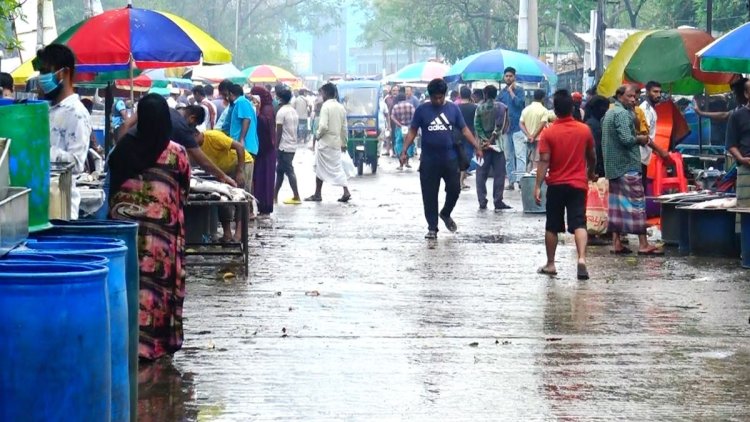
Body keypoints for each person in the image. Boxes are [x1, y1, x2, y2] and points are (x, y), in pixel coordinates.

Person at [107, 93, 190, 361]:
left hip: (125, 236)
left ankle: (127, 344)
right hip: (161, 240)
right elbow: (184, 190)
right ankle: (153, 347)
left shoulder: (123, 148)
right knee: (157, 291)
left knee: (129, 286)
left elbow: (110, 187)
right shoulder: (176, 153)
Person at [400, 78, 483, 240]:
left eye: (440, 97)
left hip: (450, 159)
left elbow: (464, 130)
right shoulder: (422, 110)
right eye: (435, 98)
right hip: (429, 161)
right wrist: (404, 150)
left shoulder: (453, 109)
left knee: (455, 189)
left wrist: (477, 147)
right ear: (429, 96)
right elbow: (412, 131)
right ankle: (432, 227)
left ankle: (445, 213)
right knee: (429, 195)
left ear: (444, 95)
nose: (438, 101)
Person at [535, 90, 597, 280]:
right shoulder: (584, 130)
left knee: (552, 224)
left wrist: (537, 186)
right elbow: (592, 156)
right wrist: (590, 173)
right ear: (572, 107)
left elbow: (544, 161)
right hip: (578, 185)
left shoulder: (548, 132)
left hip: (556, 184)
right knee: (579, 222)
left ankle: (551, 264)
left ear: (555, 109)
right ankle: (581, 260)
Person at [602, 85, 662, 256]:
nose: (633, 99)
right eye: (629, 96)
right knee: (637, 205)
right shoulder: (621, 114)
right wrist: (641, 139)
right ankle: (643, 244)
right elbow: (627, 140)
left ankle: (617, 243)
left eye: (634, 96)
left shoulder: (611, 113)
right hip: (627, 166)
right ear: (620, 96)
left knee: (616, 207)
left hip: (614, 167)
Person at [37, 44, 92, 219]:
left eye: (46, 71)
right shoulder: (46, 109)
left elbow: (76, 163)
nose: (41, 77)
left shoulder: (77, 113)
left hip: (61, 210)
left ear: (64, 73)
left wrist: (39, 150)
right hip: (40, 204)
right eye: (41, 72)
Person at [195, 129, 253, 242]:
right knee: (223, 199)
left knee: (240, 198)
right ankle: (227, 233)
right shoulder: (194, 146)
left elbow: (239, 147)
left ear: (197, 134)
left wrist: (240, 171)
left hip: (242, 162)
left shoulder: (213, 137)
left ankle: (239, 233)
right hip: (223, 170)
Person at [307, 82, 351, 203]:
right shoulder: (341, 107)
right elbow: (344, 128)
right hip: (336, 143)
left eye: (321, 93)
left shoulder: (326, 107)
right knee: (331, 167)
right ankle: (319, 193)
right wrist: (344, 143)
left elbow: (323, 126)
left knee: (326, 168)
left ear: (325, 93)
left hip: (325, 143)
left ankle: (342, 191)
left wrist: (317, 135)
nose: (320, 96)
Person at [474, 84, 511, 211]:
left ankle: (482, 201)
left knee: (480, 174)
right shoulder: (502, 107)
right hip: (498, 146)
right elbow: (502, 127)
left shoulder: (479, 108)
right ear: (496, 94)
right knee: (499, 174)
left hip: (481, 147)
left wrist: (485, 140)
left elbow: (477, 126)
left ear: (485, 94)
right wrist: (491, 139)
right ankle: (498, 200)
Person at [499, 67, 526, 190]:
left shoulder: (520, 90)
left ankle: (520, 181)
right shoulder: (501, 93)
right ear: (504, 77)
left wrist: (511, 92)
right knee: (508, 157)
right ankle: (511, 181)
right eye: (506, 76)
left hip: (518, 128)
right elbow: (498, 107)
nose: (508, 78)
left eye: (510, 76)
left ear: (514, 77)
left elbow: (520, 104)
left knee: (520, 156)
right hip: (506, 129)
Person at [639, 81, 672, 184]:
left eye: (659, 92)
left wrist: (655, 150)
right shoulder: (645, 109)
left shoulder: (651, 109)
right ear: (647, 92)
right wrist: (660, 150)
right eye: (655, 92)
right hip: (639, 156)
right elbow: (644, 136)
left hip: (644, 156)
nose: (658, 95)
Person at [726, 78, 750, 219]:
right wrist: (741, 158)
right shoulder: (737, 116)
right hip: (746, 169)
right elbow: (730, 144)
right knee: (745, 210)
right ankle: (745, 240)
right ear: (746, 94)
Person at [275, 89, 302, 204]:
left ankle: (296, 196)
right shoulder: (293, 111)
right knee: (280, 170)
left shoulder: (281, 112)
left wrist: (275, 146)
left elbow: (279, 131)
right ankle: (274, 196)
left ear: (280, 98)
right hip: (292, 144)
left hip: (284, 146)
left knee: (289, 170)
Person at [519, 89, 554, 173]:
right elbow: (542, 124)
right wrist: (534, 136)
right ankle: (534, 181)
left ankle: (525, 179)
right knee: (537, 160)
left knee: (528, 160)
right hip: (539, 139)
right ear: (543, 98)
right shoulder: (544, 110)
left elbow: (521, 123)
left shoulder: (526, 109)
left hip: (527, 140)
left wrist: (528, 135)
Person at [457, 86, 478, 190]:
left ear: (460, 95)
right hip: (470, 135)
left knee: (459, 158)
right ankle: (461, 181)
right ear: (470, 95)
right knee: (466, 158)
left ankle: (460, 180)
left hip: (458, 135)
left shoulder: (456, 107)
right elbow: (476, 123)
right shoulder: (474, 107)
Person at [585, 95, 610, 178]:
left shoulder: (594, 122)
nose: (607, 111)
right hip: (596, 169)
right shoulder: (593, 125)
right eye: (605, 108)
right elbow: (595, 150)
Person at [391, 93, 416, 170]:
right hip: (409, 128)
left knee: (399, 144)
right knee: (408, 143)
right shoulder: (410, 106)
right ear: (405, 98)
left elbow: (392, 117)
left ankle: (401, 164)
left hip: (399, 128)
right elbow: (414, 115)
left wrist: (399, 124)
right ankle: (407, 162)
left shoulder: (396, 107)